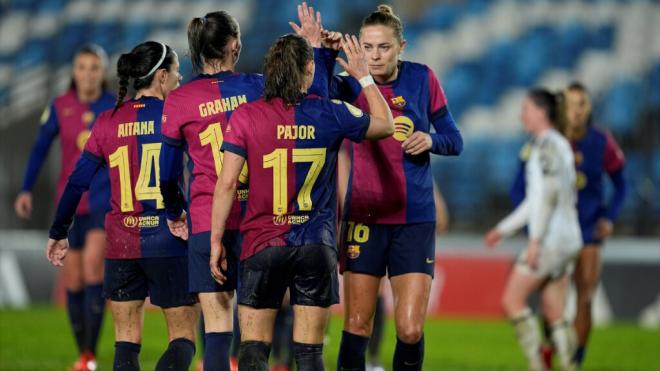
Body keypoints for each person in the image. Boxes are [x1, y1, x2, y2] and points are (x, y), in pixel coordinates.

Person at [209, 33, 393, 371]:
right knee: (309, 353)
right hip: (315, 246)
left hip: (262, 244)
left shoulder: (247, 116)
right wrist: (364, 77)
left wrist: (216, 240)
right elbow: (386, 124)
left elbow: (226, 185)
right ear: (308, 69)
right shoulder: (330, 112)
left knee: (253, 351)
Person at [309, 5, 462, 370]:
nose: (375, 56)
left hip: (414, 220)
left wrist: (430, 140)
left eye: (384, 48)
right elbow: (313, 102)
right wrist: (326, 54)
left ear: (401, 47)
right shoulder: (350, 84)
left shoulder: (423, 79)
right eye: (368, 47)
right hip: (365, 217)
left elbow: (454, 140)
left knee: (409, 330)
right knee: (357, 324)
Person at [46, 41, 197, 371]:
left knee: (126, 342)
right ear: (160, 77)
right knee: (184, 337)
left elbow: (76, 183)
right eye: (175, 72)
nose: (180, 78)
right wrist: (179, 212)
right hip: (167, 239)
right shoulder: (177, 115)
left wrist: (59, 230)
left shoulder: (107, 120)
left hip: (121, 243)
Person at [510, 83, 627, 369]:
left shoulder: (601, 141)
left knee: (585, 294)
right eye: (571, 104)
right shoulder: (547, 139)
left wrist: (609, 218)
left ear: (588, 108)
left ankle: (576, 359)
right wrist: (532, 225)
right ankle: (553, 347)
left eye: (582, 104)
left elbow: (622, 183)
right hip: (553, 232)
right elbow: (518, 186)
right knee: (549, 298)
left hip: (587, 229)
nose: (576, 111)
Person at [15, 44, 114, 371]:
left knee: (92, 270)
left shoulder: (112, 107)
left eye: (94, 67)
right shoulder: (60, 106)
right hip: (70, 205)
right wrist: (26, 188)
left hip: (102, 199)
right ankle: (82, 352)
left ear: (103, 72)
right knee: (72, 281)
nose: (88, 73)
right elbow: (40, 147)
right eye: (82, 67)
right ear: (74, 72)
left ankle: (89, 354)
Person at [484, 89, 581, 371]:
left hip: (551, 239)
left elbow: (547, 195)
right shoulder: (556, 143)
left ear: (541, 111)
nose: (521, 114)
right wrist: (503, 229)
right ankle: (570, 366)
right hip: (568, 239)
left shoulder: (547, 146)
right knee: (554, 312)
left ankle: (537, 365)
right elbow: (534, 201)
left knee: (511, 300)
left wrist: (535, 241)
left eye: (526, 108)